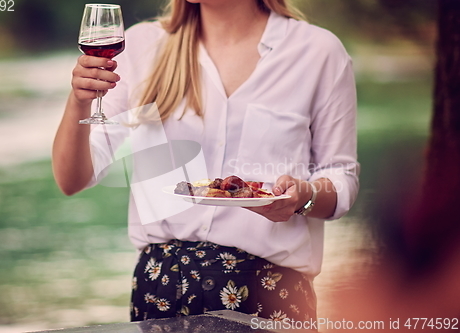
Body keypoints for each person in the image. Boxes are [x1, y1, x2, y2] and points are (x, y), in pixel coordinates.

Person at [52, 0, 359, 322]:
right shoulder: (142, 45)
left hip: (270, 294)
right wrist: (79, 103)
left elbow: (341, 177)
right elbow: (72, 179)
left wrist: (304, 197)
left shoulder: (318, 51)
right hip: (160, 292)